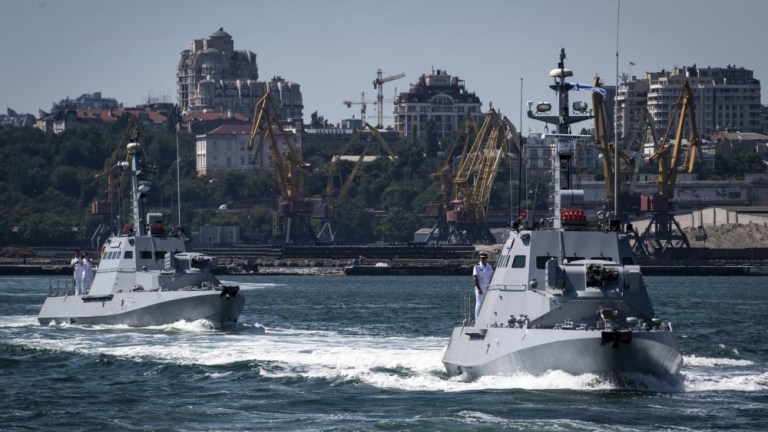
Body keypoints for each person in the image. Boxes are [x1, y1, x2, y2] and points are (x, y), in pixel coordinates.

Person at [472, 251, 494, 321]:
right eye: (482, 258)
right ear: (480, 258)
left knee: (487, 304)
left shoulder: (489, 267)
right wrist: (478, 288)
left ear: (486, 258)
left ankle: (485, 319)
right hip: (480, 287)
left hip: (488, 288)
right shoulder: (477, 266)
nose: (483, 259)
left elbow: (492, 277)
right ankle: (477, 319)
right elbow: (475, 278)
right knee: (479, 303)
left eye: (484, 258)